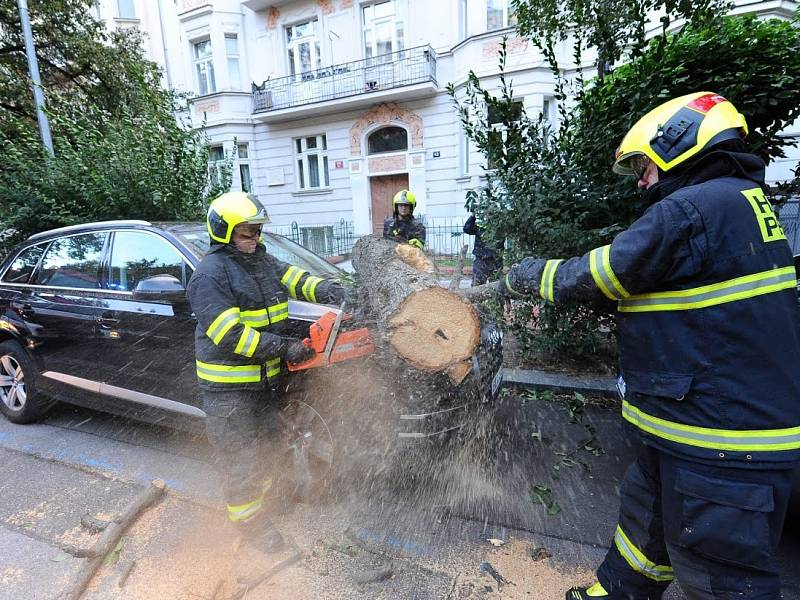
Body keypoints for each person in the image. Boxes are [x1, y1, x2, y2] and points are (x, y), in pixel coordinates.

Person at [497, 92, 800, 599]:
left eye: (645, 165)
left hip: (719, 444)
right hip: (691, 431)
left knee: (720, 577)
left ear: (681, 141)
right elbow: (656, 292)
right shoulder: (735, 203)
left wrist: (528, 275)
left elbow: (606, 273)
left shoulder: (694, 206)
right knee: (647, 531)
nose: (641, 180)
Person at [186, 192, 346, 553]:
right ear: (224, 232)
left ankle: (268, 503)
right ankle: (248, 524)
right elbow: (230, 335)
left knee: (271, 446)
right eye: (247, 232)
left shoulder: (258, 260)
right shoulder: (210, 275)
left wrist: (330, 290)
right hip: (230, 391)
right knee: (242, 458)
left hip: (265, 381)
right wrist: (284, 347)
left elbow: (295, 278)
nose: (255, 239)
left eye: (257, 232)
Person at [463, 211, 504, 285]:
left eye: (492, 213)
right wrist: (473, 216)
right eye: (489, 214)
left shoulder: (501, 228)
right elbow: (467, 229)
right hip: (481, 260)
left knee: (496, 286)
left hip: (495, 260)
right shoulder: (481, 227)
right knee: (477, 285)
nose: (490, 216)